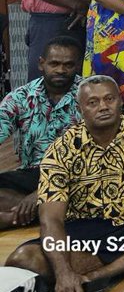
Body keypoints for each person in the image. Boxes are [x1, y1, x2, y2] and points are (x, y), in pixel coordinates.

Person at [7, 76, 124, 292]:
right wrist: (63, 273)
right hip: (85, 233)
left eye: (109, 99)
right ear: (80, 109)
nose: (103, 107)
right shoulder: (61, 149)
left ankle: (103, 274)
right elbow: (51, 218)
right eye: (93, 102)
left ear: (120, 101)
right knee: (24, 259)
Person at [0, 36, 81, 230]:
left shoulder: (90, 96)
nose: (61, 70)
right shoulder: (21, 96)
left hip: (77, 176)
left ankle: (16, 217)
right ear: (41, 64)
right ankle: (48, 213)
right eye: (54, 63)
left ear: (78, 65)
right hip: (33, 173)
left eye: (68, 64)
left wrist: (41, 193)